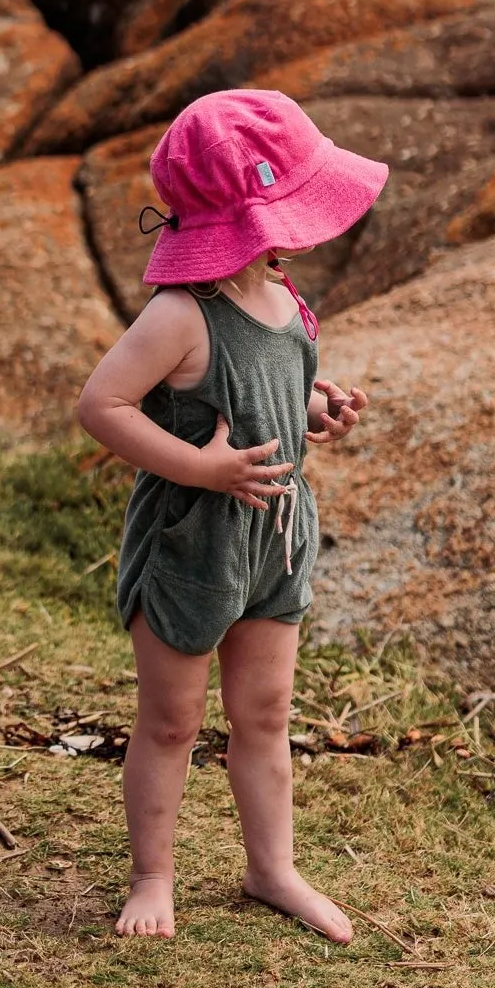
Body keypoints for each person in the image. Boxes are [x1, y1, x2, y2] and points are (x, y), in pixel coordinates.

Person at [77, 89, 388, 941]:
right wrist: (202, 469)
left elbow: (271, 391)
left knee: (264, 716)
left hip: (274, 542)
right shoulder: (179, 315)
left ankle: (270, 869)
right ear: (252, 210)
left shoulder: (283, 296)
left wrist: (313, 407)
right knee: (172, 720)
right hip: (190, 542)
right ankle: (151, 875)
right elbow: (102, 405)